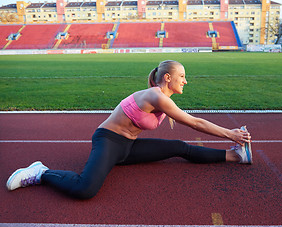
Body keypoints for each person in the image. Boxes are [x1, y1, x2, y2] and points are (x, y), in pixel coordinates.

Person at [6, 60, 252, 200]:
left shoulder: (161, 97)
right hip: (109, 142)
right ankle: (41, 173)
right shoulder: (156, 96)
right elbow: (195, 123)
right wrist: (231, 132)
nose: (186, 81)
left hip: (128, 147)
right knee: (85, 189)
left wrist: (233, 142)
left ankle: (234, 155)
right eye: (182, 76)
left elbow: (192, 122)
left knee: (179, 147)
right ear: (167, 78)